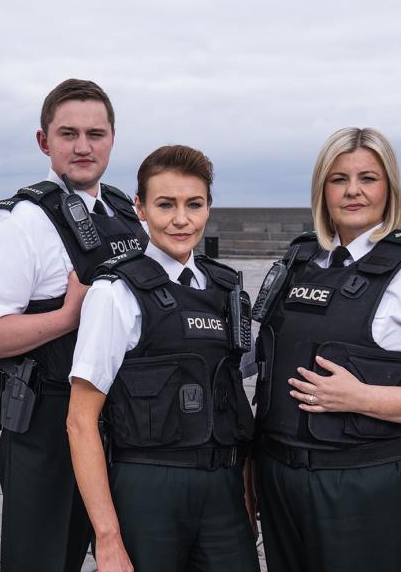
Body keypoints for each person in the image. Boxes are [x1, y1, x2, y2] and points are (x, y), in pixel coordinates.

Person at [251, 127, 401, 572]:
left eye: (368, 178)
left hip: (367, 487)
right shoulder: (297, 262)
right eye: (338, 179)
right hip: (281, 479)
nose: (353, 191)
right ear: (322, 189)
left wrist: (360, 398)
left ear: (389, 187)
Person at [0, 79, 148, 571]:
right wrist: (66, 317)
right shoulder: (22, 222)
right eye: (68, 134)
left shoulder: (129, 215)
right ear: (44, 142)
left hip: (123, 417)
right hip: (47, 420)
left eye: (95, 133)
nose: (83, 146)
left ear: (112, 139)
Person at [66, 145, 260, 572]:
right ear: (140, 207)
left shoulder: (226, 290)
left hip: (222, 491)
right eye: (165, 204)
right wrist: (108, 537)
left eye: (194, 204)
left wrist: (245, 495)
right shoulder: (114, 292)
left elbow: (232, 401)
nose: (181, 219)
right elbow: (80, 421)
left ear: (209, 207)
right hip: (147, 487)